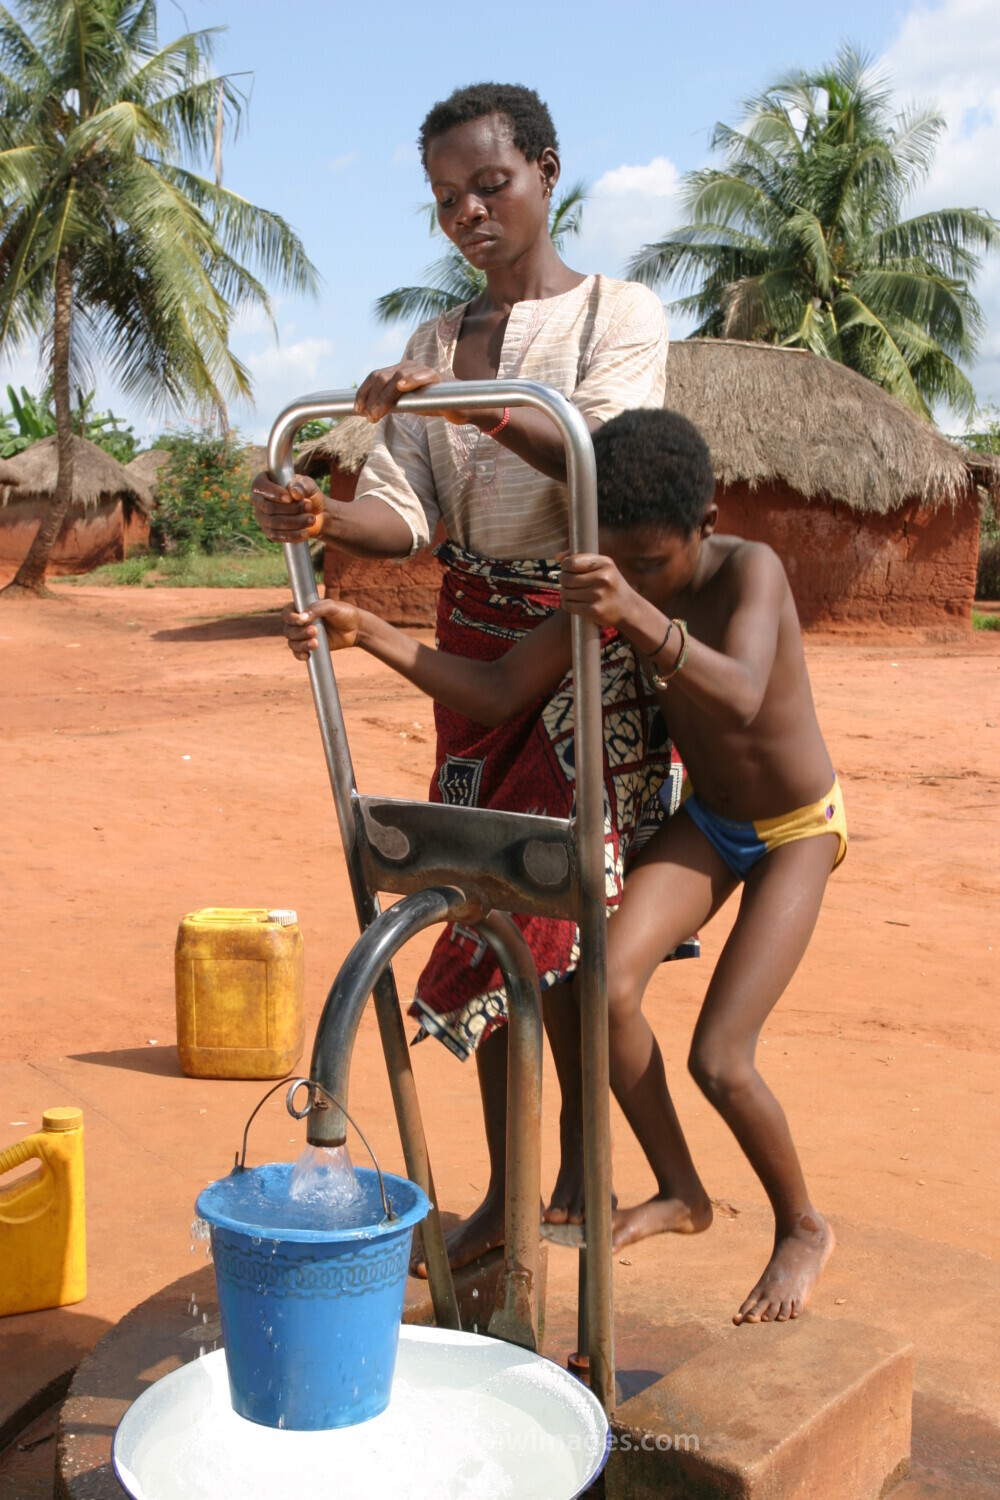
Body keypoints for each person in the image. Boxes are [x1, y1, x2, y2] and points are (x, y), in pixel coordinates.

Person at [284, 407, 845, 1325]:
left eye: (654, 562)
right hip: (714, 821)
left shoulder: (752, 570)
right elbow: (502, 686)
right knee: (601, 991)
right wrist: (372, 633)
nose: (635, 576)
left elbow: (742, 695)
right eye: (616, 559)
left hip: (794, 829)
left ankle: (802, 1225)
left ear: (706, 523)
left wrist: (635, 614)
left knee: (720, 1057)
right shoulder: (615, 589)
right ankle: (682, 1193)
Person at [251, 83, 681, 1272]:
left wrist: (465, 408)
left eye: (489, 185)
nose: (469, 215)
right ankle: (515, 1192)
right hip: (474, 656)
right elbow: (404, 517)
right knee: (494, 923)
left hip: (583, 643)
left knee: (563, 931)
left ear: (545, 170)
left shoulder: (616, 316)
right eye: (447, 200)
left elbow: (601, 461)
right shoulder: (437, 346)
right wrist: (324, 510)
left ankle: (579, 1195)